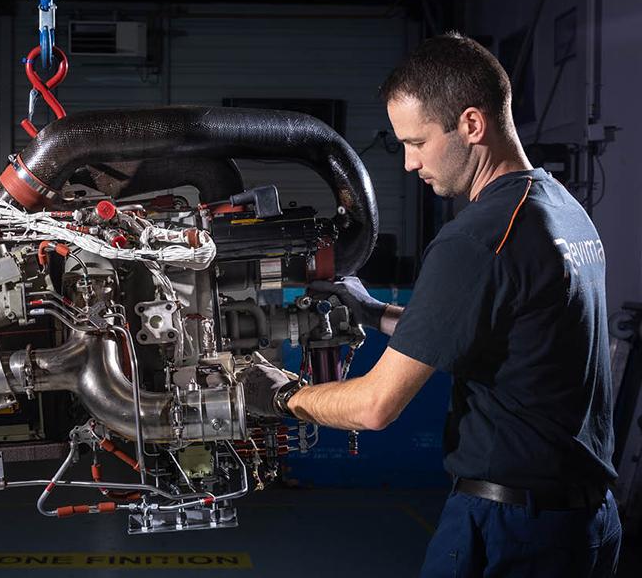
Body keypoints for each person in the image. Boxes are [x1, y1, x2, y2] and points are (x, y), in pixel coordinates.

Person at [241, 32, 622, 577]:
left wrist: (281, 397)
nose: (408, 163)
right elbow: (488, 335)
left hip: (511, 527)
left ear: (471, 124)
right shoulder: (561, 209)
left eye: (416, 142)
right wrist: (373, 311)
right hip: (586, 523)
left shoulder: (477, 237)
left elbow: (376, 406)